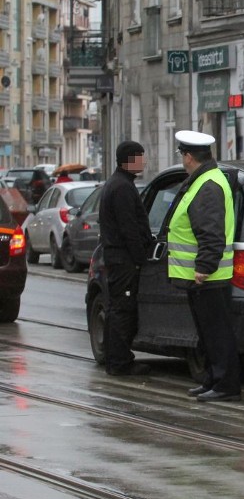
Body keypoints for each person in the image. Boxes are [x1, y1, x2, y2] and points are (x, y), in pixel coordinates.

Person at [168, 130, 241, 402]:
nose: (182, 159)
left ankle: (226, 385)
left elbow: (212, 232)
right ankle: (213, 379)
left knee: (217, 333)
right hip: (203, 275)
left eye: (182, 154)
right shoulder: (204, 180)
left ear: (188, 156)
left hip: (209, 275)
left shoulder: (208, 184)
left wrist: (204, 267)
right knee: (208, 333)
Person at [99, 141, 152, 376]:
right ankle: (120, 362)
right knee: (122, 309)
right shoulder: (122, 187)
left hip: (118, 257)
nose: (144, 161)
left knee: (118, 308)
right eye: (140, 157)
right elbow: (129, 227)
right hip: (123, 259)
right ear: (128, 160)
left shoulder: (120, 184)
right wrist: (140, 257)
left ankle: (116, 358)